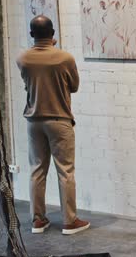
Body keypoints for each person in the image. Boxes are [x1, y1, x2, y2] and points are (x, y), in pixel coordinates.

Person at [17, 15, 90, 235]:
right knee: (65, 171)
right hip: (59, 120)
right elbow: (74, 86)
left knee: (37, 170)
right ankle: (69, 221)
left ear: (31, 35)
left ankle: (37, 221)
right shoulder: (64, 58)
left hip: (34, 120)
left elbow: (29, 81)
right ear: (53, 34)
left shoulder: (23, 58)